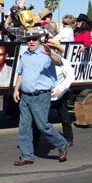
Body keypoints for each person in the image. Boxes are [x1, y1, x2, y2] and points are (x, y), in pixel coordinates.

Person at [13, 35, 68, 166]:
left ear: (39, 41)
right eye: (28, 40)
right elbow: (20, 73)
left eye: (34, 39)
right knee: (24, 127)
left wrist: (50, 55)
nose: (31, 42)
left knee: (42, 125)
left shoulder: (46, 51)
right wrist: (16, 90)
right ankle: (27, 156)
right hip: (25, 95)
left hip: (41, 95)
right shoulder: (25, 55)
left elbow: (59, 61)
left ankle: (61, 143)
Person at [47, 40, 75, 147]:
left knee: (64, 117)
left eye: (51, 48)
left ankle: (68, 138)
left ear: (56, 50)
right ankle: (35, 140)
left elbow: (70, 76)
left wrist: (61, 88)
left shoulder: (63, 62)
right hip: (46, 93)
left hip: (60, 94)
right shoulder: (44, 62)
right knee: (40, 119)